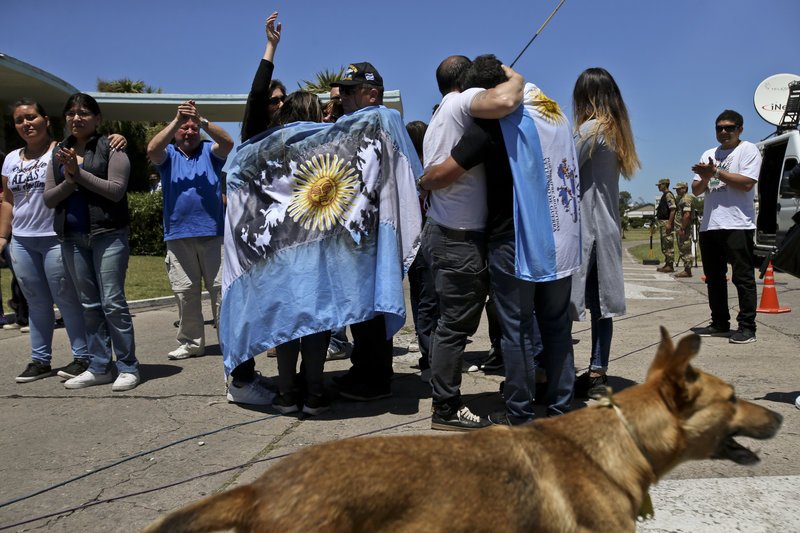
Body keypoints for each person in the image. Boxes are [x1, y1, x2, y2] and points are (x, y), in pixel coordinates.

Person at [421, 55, 580, 424]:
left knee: (518, 330)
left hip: (514, 240)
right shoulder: (553, 114)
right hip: (559, 239)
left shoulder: (495, 124)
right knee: (557, 327)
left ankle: (520, 414)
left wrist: (424, 181)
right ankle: (560, 409)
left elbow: (447, 170)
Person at [421, 54, 524, 430]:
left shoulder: (441, 115)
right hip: (460, 238)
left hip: (445, 231)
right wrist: (515, 76)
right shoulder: (464, 101)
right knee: (455, 326)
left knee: (449, 323)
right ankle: (446, 407)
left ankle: (444, 399)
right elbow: (505, 101)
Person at [42, 93, 139, 390]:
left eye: (84, 112)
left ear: (97, 119)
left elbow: (115, 190)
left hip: (108, 235)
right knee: (89, 304)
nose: (77, 118)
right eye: (71, 113)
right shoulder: (59, 151)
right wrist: (70, 179)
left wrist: (77, 173)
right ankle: (99, 366)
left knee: (112, 302)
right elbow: (48, 198)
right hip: (72, 237)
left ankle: (128, 366)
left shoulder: (112, 146)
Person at [0, 99, 97, 384]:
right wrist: (3, 236)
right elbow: (6, 200)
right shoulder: (11, 159)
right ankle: (40, 360)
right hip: (22, 240)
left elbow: (89, 161)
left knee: (66, 299)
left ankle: (83, 356)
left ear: (46, 120)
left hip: (55, 237)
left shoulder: (59, 150)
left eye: (31, 118)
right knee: (35, 302)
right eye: (19, 120)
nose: (26, 124)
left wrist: (117, 139)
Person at [327, 62, 399, 402]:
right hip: (356, 230)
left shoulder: (379, 119)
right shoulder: (359, 122)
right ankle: (364, 368)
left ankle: (375, 378)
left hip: (373, 231)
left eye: (348, 90)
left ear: (370, 93)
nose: (341, 96)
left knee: (372, 307)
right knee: (360, 307)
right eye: (341, 90)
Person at [223, 10, 285, 405]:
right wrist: (271, 47)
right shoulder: (253, 138)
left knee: (264, 307)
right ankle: (240, 381)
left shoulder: (290, 140)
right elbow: (257, 94)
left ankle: (246, 373)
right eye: (273, 100)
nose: (277, 105)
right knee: (244, 307)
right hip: (247, 236)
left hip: (272, 236)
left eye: (284, 100)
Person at [569, 67, 641, 399]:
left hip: (588, 229)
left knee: (561, 304)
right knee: (601, 307)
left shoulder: (592, 129)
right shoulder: (615, 131)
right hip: (606, 228)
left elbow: (563, 165)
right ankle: (598, 371)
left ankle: (556, 371)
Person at [147, 101, 233, 360]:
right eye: (184, 128)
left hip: (213, 233)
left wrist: (202, 120)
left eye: (193, 128)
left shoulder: (210, 152)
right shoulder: (168, 157)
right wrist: (177, 119)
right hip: (178, 235)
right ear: (174, 132)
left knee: (220, 291)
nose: (189, 131)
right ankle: (191, 343)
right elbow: (152, 149)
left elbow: (228, 143)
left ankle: (229, 341)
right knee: (185, 292)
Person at [265, 91, 332, 416]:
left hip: (281, 247)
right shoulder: (331, 145)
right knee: (316, 321)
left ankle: (287, 392)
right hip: (319, 244)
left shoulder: (271, 149)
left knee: (287, 320)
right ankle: (315, 393)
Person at [691, 109, 761, 344]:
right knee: (714, 277)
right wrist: (706, 177)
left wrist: (716, 172)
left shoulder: (748, 150)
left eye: (729, 128)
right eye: (719, 128)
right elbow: (697, 190)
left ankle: (747, 327)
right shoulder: (709, 153)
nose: (723, 132)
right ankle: (720, 322)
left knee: (742, 277)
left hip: (738, 223)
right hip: (711, 225)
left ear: (740, 129)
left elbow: (747, 183)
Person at [673, 181, 695, 278]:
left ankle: (687, 270)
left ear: (684, 188)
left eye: (679, 188)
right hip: (680, 228)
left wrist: (682, 228)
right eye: (677, 189)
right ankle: (686, 269)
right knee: (682, 248)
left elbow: (687, 215)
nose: (677, 190)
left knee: (685, 248)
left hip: (684, 228)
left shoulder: (686, 199)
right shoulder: (682, 199)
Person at [655, 177, 677, 273]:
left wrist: (669, 223)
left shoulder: (668, 195)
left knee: (668, 244)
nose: (658, 187)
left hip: (666, 222)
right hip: (663, 222)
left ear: (664, 184)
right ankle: (667, 264)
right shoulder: (664, 195)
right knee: (664, 245)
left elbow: (673, 209)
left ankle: (670, 265)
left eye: (659, 185)